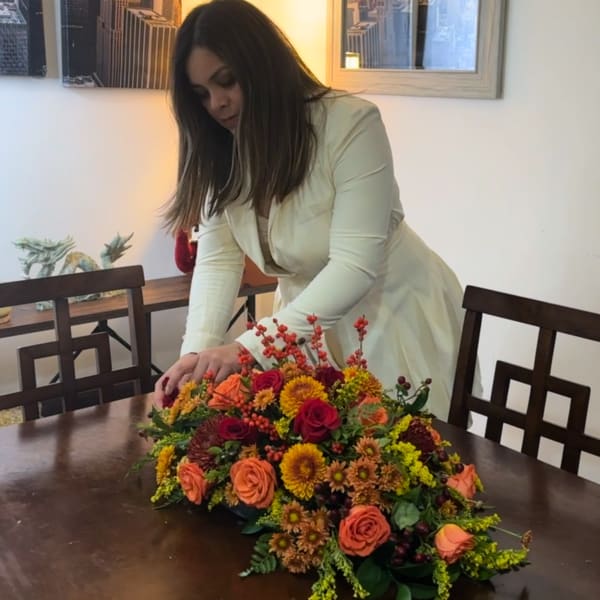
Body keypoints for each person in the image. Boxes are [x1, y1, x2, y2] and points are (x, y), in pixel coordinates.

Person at [155, 0, 465, 420]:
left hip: (391, 315)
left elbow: (354, 266)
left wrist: (247, 349)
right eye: (201, 94)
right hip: (303, 326)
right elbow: (219, 259)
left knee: (402, 450)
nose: (216, 104)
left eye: (226, 81)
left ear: (263, 65)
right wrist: (197, 356)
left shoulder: (350, 123)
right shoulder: (221, 146)